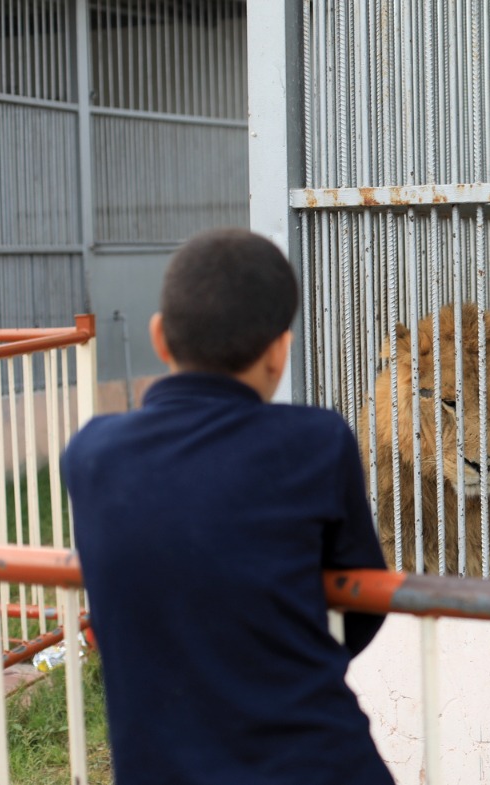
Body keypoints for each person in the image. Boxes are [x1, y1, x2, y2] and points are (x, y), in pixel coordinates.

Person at [63, 229, 394, 785]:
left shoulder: (92, 454)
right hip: (318, 764)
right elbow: (363, 603)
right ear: (278, 352)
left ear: (160, 338)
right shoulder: (316, 443)